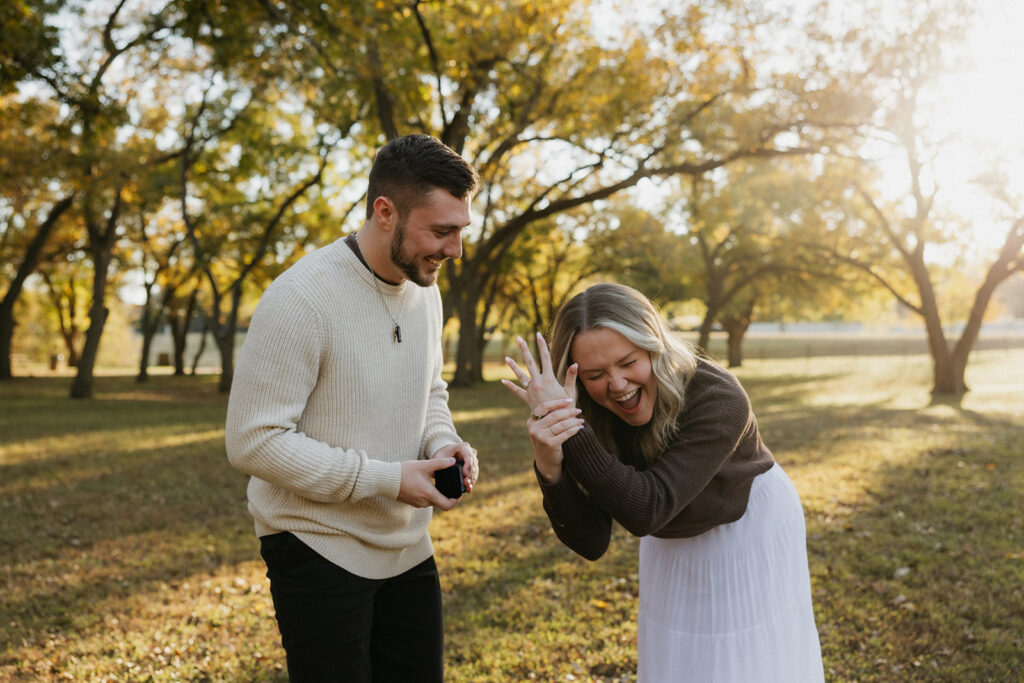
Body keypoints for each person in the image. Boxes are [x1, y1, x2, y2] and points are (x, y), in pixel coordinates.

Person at [225, 133, 481, 682]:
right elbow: (253, 440)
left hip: (407, 545)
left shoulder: (425, 289)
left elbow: (429, 388)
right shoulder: (302, 297)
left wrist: (442, 443)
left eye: (461, 231)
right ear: (384, 212)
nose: (455, 250)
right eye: (441, 231)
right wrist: (387, 479)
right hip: (315, 546)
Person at [502, 283, 824, 682]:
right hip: (670, 537)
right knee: (681, 661)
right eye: (595, 374)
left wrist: (571, 431)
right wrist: (551, 470)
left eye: (628, 362)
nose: (617, 385)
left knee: (744, 662)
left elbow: (646, 509)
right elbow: (591, 542)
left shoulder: (718, 396)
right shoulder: (587, 410)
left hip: (745, 526)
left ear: (655, 344)